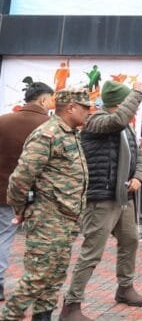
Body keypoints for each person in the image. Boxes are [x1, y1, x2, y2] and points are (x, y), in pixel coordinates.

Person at [0, 88, 91, 321]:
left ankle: (43, 317)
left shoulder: (70, 133)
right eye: (85, 107)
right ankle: (8, 316)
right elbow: (21, 177)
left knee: (54, 278)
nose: (88, 112)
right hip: (47, 219)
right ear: (71, 107)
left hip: (66, 219)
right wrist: (21, 209)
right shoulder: (47, 134)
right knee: (37, 277)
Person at [62, 81, 142, 321]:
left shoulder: (127, 128)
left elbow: (138, 155)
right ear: (119, 103)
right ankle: (71, 305)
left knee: (130, 240)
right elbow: (117, 120)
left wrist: (138, 176)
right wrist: (137, 92)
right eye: (129, 101)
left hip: (123, 197)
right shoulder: (96, 121)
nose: (134, 108)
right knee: (92, 252)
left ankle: (125, 288)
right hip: (101, 198)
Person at [0, 82, 53, 304]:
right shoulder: (49, 126)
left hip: (3, 191)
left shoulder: (3, 121)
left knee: (4, 235)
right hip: (37, 194)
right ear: (43, 100)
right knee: (39, 242)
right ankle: (35, 288)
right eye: (51, 99)